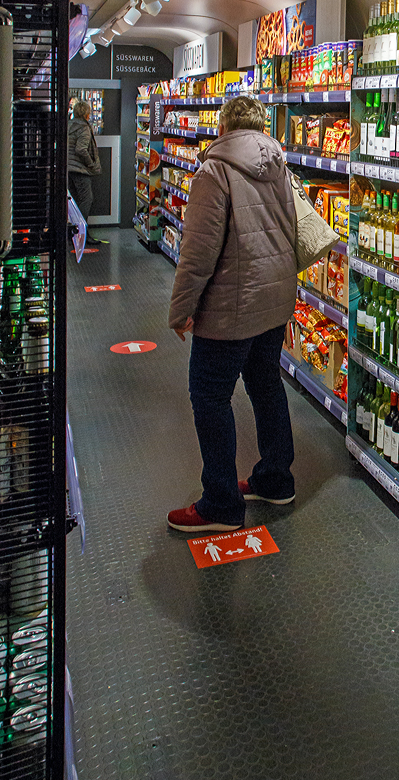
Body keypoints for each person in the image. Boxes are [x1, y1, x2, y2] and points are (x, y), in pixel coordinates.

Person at [167, 94, 298, 533]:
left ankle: (221, 503)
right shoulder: (279, 166)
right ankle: (276, 480)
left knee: (209, 396)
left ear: (223, 128)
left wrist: (182, 309)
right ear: (260, 128)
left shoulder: (213, 170)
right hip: (274, 301)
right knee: (265, 385)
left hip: (230, 308)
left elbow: (198, 252)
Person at [68, 100, 107, 244]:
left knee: (75, 201)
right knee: (86, 199)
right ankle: (81, 233)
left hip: (68, 169)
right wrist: (90, 164)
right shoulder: (83, 128)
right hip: (79, 169)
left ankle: (72, 231)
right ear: (86, 114)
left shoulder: (69, 125)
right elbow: (81, 149)